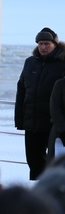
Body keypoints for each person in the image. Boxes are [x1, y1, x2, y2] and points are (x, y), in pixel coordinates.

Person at [16, 27, 65, 180]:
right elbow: (21, 90)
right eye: (40, 44)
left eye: (47, 44)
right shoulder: (30, 62)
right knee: (34, 162)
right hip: (32, 122)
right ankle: (36, 195)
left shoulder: (62, 63)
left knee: (53, 163)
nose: (43, 47)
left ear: (55, 45)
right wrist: (20, 119)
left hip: (53, 124)